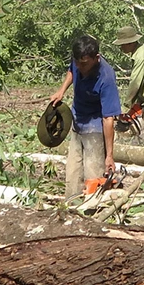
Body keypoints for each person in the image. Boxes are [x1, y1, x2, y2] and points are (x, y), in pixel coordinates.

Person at [50, 35, 122, 199]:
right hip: (77, 120)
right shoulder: (78, 61)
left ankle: (91, 212)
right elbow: (71, 71)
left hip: (96, 127)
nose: (79, 67)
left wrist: (109, 155)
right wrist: (61, 90)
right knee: (72, 172)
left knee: (93, 177)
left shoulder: (106, 77)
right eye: (77, 62)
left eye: (84, 64)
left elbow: (108, 119)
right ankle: (71, 205)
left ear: (96, 58)